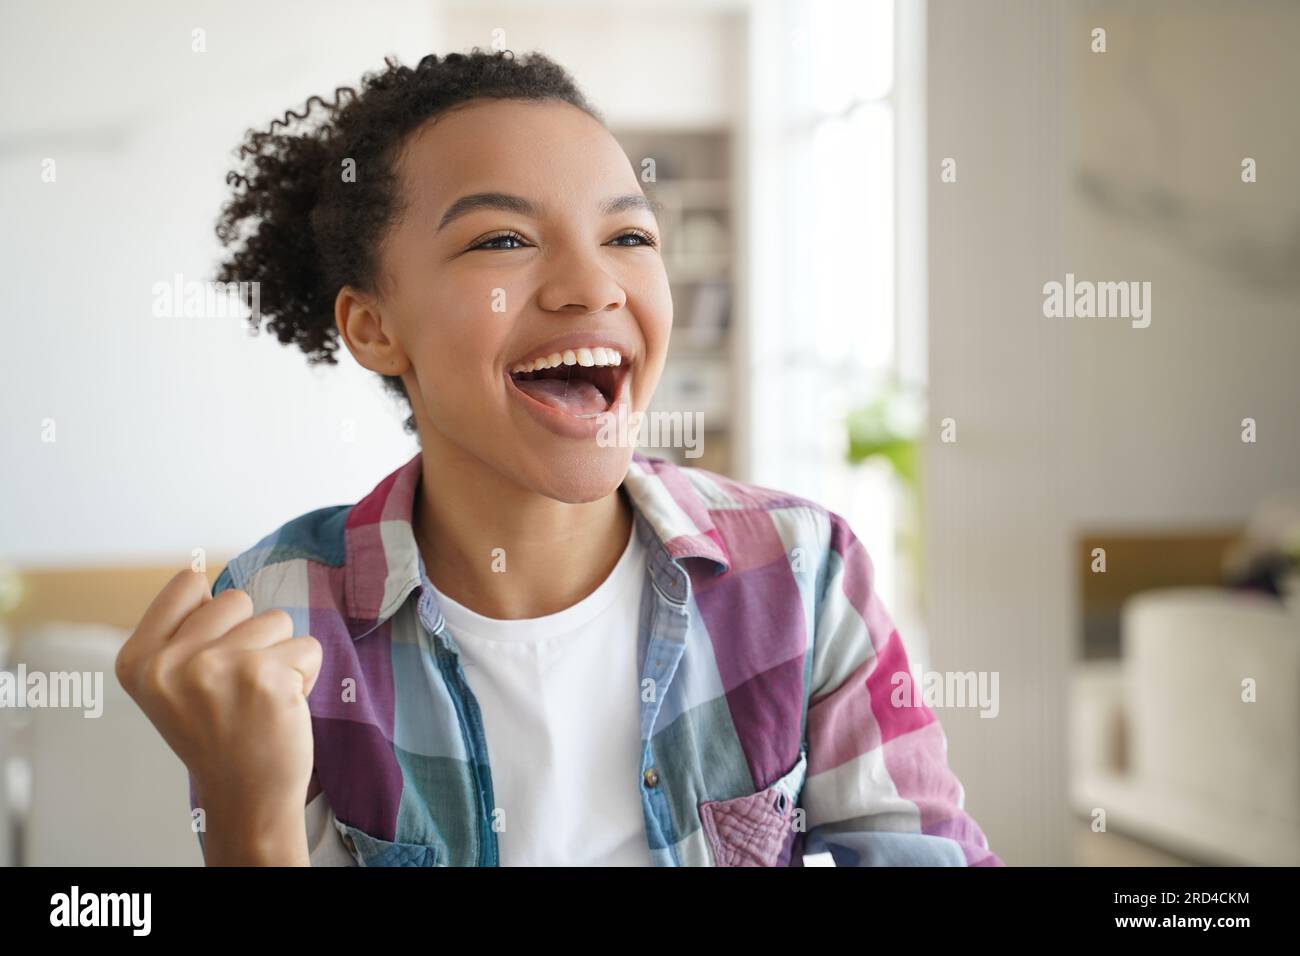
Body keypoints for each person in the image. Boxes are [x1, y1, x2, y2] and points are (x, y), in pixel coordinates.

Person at [116, 49, 1001, 867]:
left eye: (629, 237)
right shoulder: (278, 619)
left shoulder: (805, 574)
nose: (593, 285)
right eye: (503, 240)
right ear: (374, 326)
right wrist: (251, 812)